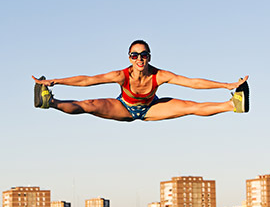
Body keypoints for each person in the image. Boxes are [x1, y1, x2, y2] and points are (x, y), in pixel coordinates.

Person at [32, 40, 249, 122]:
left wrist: (226, 85)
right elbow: (88, 80)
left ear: (149, 57)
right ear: (129, 58)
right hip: (124, 108)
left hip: (151, 108)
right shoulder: (121, 75)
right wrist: (56, 81)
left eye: (143, 54)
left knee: (190, 107)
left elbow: (192, 83)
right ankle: (49, 102)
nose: (139, 59)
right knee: (88, 106)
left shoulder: (159, 75)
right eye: (134, 55)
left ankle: (233, 105)